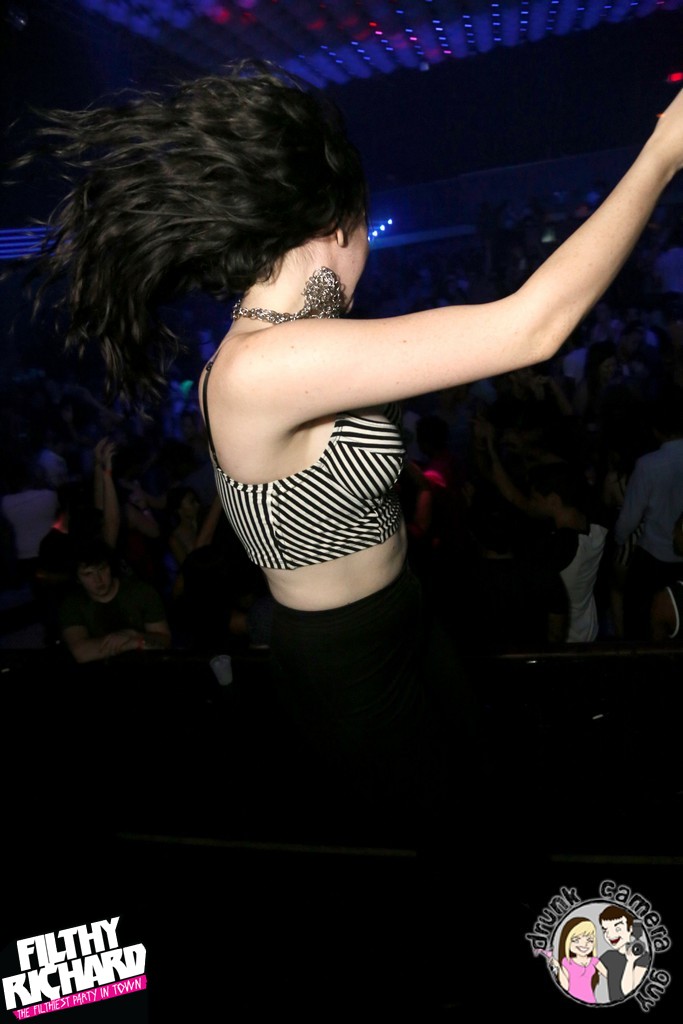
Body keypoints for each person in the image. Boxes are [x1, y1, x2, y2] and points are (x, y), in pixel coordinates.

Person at [13, 61, 683, 1003]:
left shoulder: (293, 344)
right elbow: (530, 329)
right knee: (466, 847)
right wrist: (662, 151)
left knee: (492, 803)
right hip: (347, 660)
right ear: (335, 228)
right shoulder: (258, 367)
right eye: (365, 233)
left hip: (406, 612)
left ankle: (565, 958)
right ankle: (555, 987)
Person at [59, 539, 172, 663]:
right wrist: (132, 643)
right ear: (77, 578)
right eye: (88, 574)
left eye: (102, 569)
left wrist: (134, 635)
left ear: (110, 567)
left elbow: (164, 640)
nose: (98, 579)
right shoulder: (73, 604)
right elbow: (81, 652)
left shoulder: (141, 592)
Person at [598, 906, 650, 1002]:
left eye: (617, 929)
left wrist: (630, 961)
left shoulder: (643, 957)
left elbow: (628, 992)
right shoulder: (608, 956)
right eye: (605, 930)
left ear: (630, 929)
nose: (610, 935)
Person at [551, 916, 607, 1004]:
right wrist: (558, 967)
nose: (584, 944)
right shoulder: (566, 962)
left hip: (590, 1001)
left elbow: (610, 976)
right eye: (576, 940)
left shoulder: (594, 961)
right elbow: (565, 987)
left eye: (590, 940)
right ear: (567, 941)